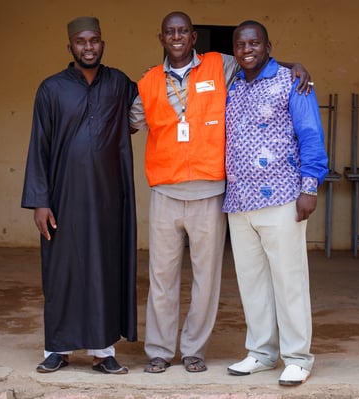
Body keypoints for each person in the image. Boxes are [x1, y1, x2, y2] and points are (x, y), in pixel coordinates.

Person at [129, 11, 313, 374]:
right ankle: (160, 351)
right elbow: (128, 123)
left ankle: (194, 349)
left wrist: (296, 66)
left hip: (210, 191)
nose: (177, 37)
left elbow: (257, 61)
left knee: (206, 278)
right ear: (161, 37)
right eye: (170, 32)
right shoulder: (147, 81)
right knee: (161, 278)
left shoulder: (220, 65)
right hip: (165, 192)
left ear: (194, 36)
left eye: (183, 31)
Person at [21, 16, 138, 375]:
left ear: (103, 43)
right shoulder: (52, 88)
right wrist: (40, 201)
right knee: (62, 272)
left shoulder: (119, 83)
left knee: (104, 269)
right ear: (70, 46)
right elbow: (38, 146)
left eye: (95, 40)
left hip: (108, 197)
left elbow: (156, 97)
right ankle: (58, 348)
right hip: (63, 197)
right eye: (81, 41)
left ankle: (103, 352)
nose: (89, 47)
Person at [223, 20, 328, 386]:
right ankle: (262, 353)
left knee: (289, 279)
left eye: (254, 43)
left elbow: (310, 134)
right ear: (234, 49)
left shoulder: (292, 81)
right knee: (252, 282)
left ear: (269, 45)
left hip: (283, 196)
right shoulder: (233, 85)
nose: (247, 49)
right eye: (240, 44)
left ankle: (298, 356)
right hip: (238, 200)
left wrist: (310, 188)